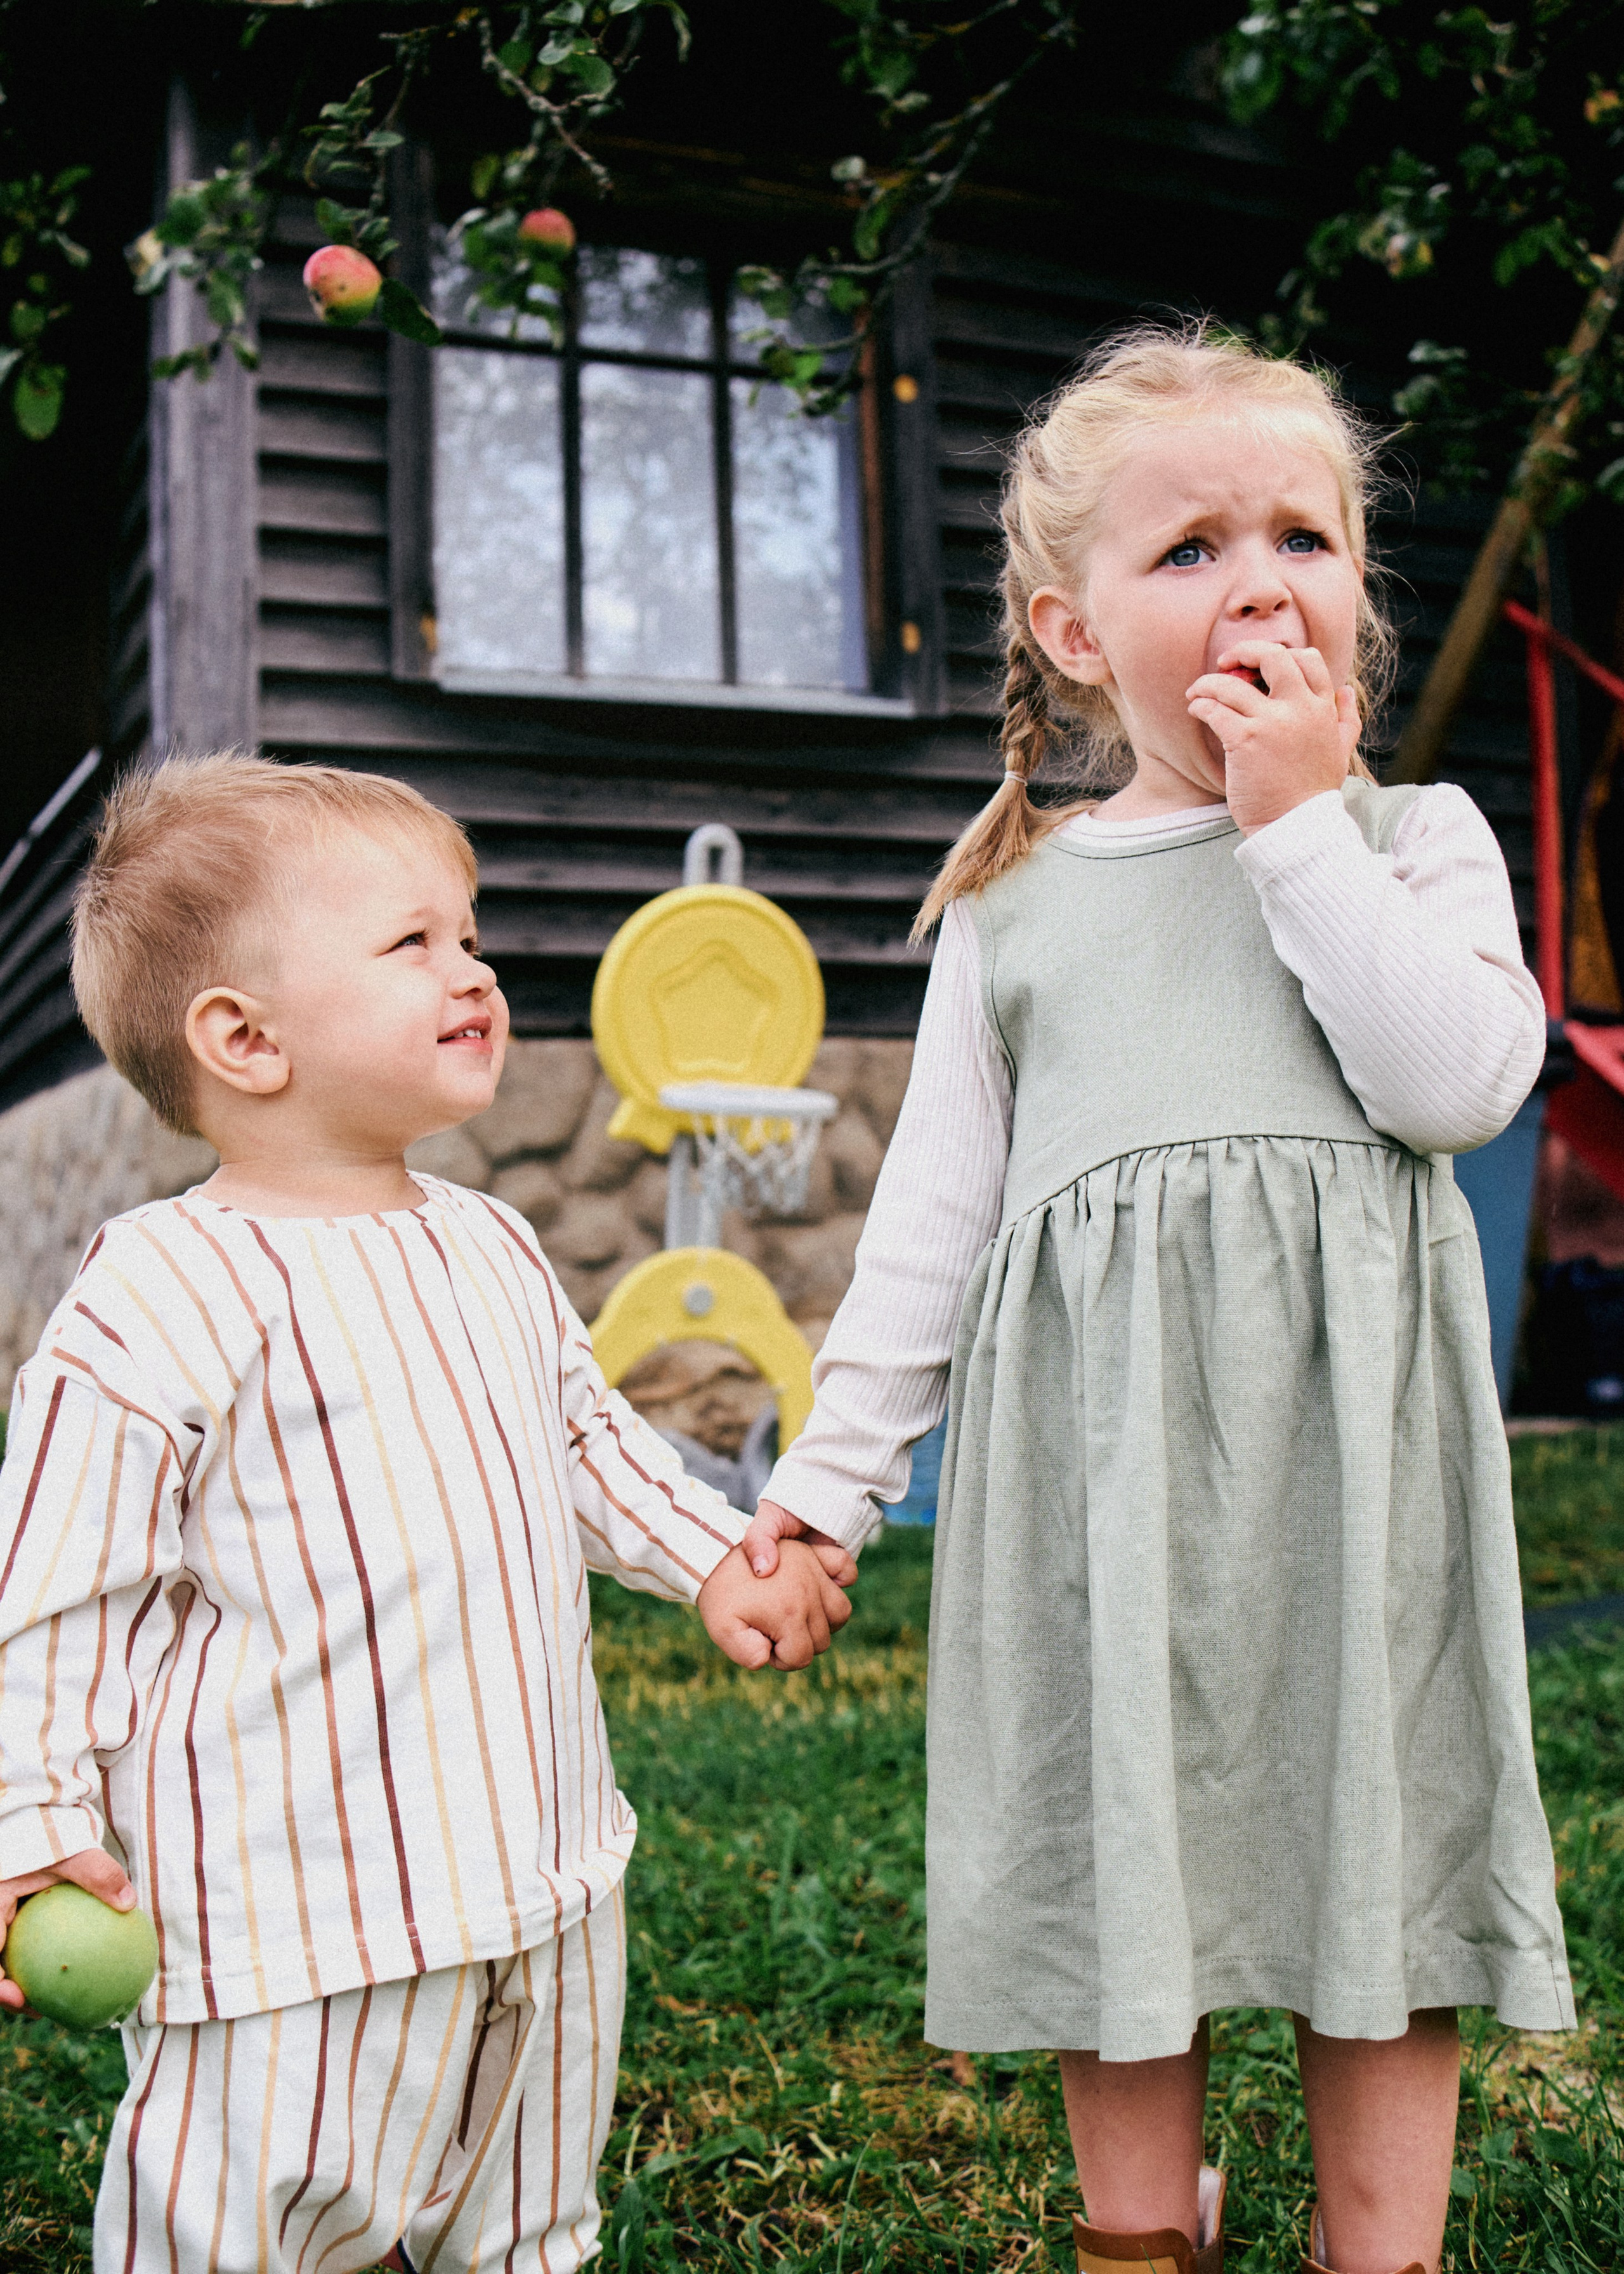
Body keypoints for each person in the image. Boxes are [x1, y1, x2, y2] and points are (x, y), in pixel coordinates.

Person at [743, 326, 1572, 2274]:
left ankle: (1382, 2250)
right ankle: (1142, 2238)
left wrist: (1294, 826)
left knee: (1374, 1851)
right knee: (1125, 1864)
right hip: (1101, 1502)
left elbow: (1453, 1081)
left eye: (1306, 534)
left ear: (1360, 598)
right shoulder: (1018, 914)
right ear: (1078, 632)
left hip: (1348, 1495)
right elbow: (930, 1233)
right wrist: (825, 1487)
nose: (1261, 575)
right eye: (1190, 546)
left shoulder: (1408, 843)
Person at [0, 754, 855, 2274]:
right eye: (413, 945)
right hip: (288, 1923)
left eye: (467, 935)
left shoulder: (493, 1241)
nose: (474, 971)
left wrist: (714, 1551)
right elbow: (55, 1585)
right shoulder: (161, 1291)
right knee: (242, 2222)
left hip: (537, 1872)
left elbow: (583, 1441)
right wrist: (31, 1820)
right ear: (244, 1038)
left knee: (524, 2217)